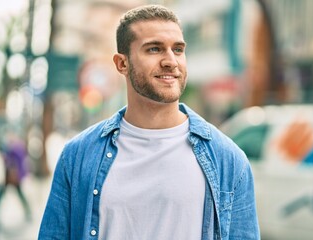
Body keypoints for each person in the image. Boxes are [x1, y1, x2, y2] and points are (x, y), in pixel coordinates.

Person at [38, 4, 260, 240]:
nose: (170, 61)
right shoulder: (78, 156)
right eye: (154, 49)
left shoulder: (228, 160)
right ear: (122, 63)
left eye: (178, 49)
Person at [0, 131, 31, 222]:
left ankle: (28, 211)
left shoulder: (14, 149)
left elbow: (12, 163)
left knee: (2, 193)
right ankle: (28, 211)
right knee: (2, 193)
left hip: (13, 176)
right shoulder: (19, 147)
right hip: (14, 176)